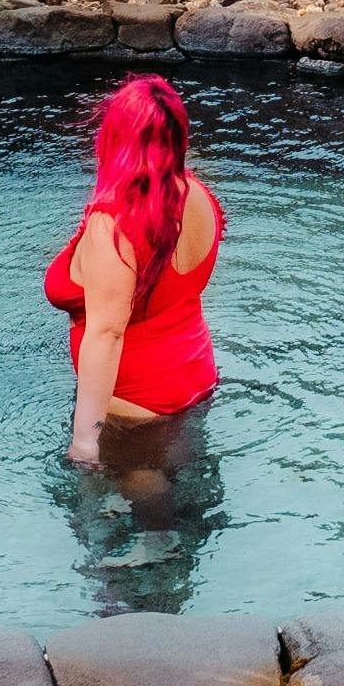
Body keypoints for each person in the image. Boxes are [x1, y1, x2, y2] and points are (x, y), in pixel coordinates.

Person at [45, 73, 224, 467]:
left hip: (136, 406)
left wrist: (85, 443)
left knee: (138, 516)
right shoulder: (196, 194)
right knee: (186, 513)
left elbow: (107, 333)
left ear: (114, 139)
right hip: (197, 379)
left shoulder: (113, 224)